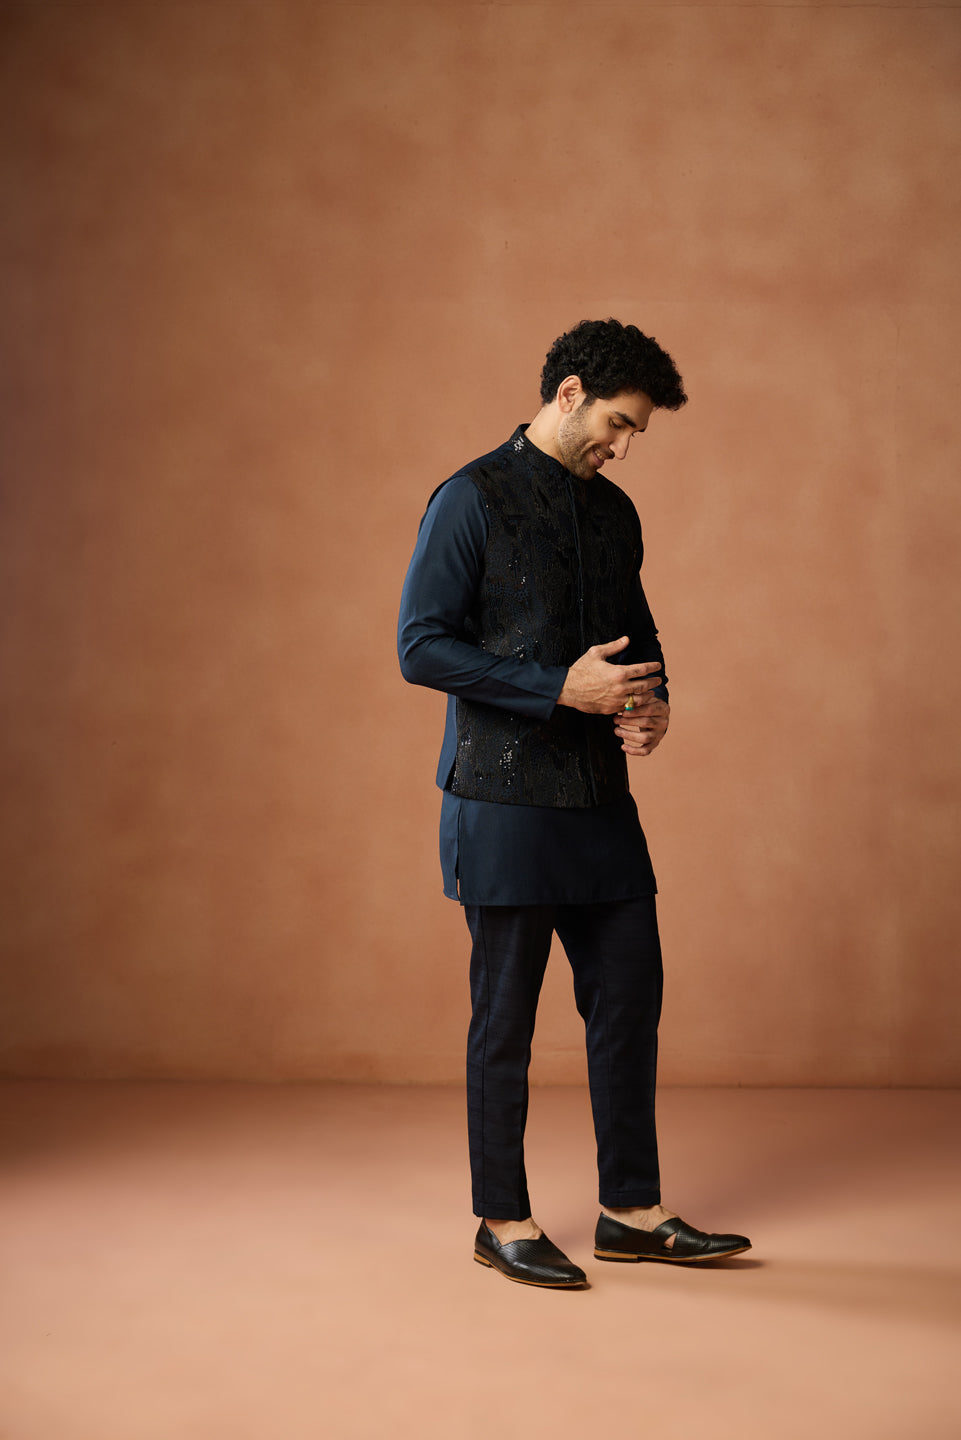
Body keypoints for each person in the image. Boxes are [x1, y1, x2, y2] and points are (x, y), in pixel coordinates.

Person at [398, 319, 750, 1288]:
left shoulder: (614, 512)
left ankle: (629, 1210)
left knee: (629, 1000)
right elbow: (419, 647)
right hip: (500, 799)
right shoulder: (469, 497)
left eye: (636, 432)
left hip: (599, 800)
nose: (623, 447)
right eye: (617, 424)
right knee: (505, 1021)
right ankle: (501, 1219)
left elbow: (637, 636)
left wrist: (653, 702)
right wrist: (559, 688)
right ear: (567, 394)